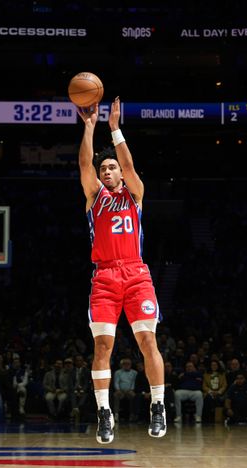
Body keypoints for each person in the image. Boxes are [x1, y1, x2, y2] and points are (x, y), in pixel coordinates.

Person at [77, 97, 167, 443]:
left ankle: (157, 405)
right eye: (105, 170)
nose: (108, 172)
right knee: (102, 348)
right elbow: (85, 165)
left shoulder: (135, 195)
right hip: (105, 277)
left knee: (148, 341)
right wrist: (89, 126)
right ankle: (104, 412)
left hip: (136, 275)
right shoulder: (95, 198)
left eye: (111, 168)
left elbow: (130, 167)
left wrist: (114, 128)